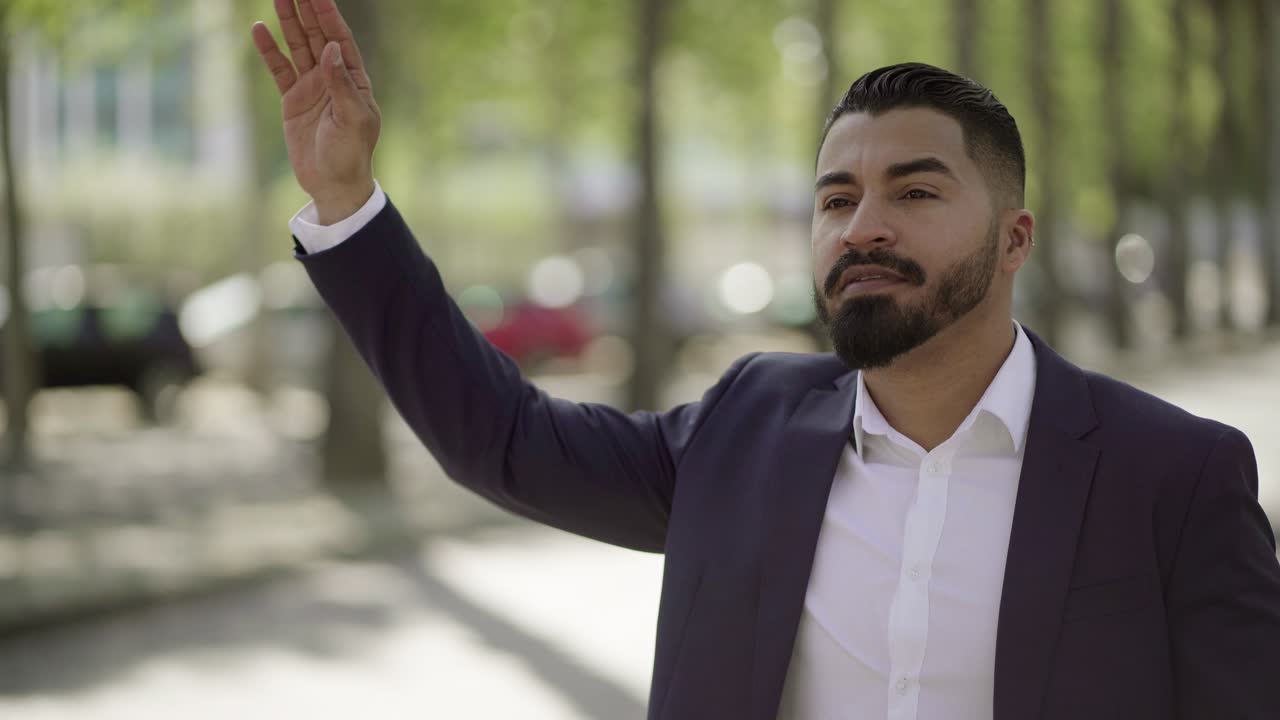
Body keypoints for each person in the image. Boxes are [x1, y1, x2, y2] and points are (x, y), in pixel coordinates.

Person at [252, 2, 1280, 718]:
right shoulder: (745, 426)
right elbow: (503, 439)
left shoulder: (1173, 476)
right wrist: (349, 203)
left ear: (1013, 239)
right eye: (837, 199)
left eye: (915, 193)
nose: (862, 226)